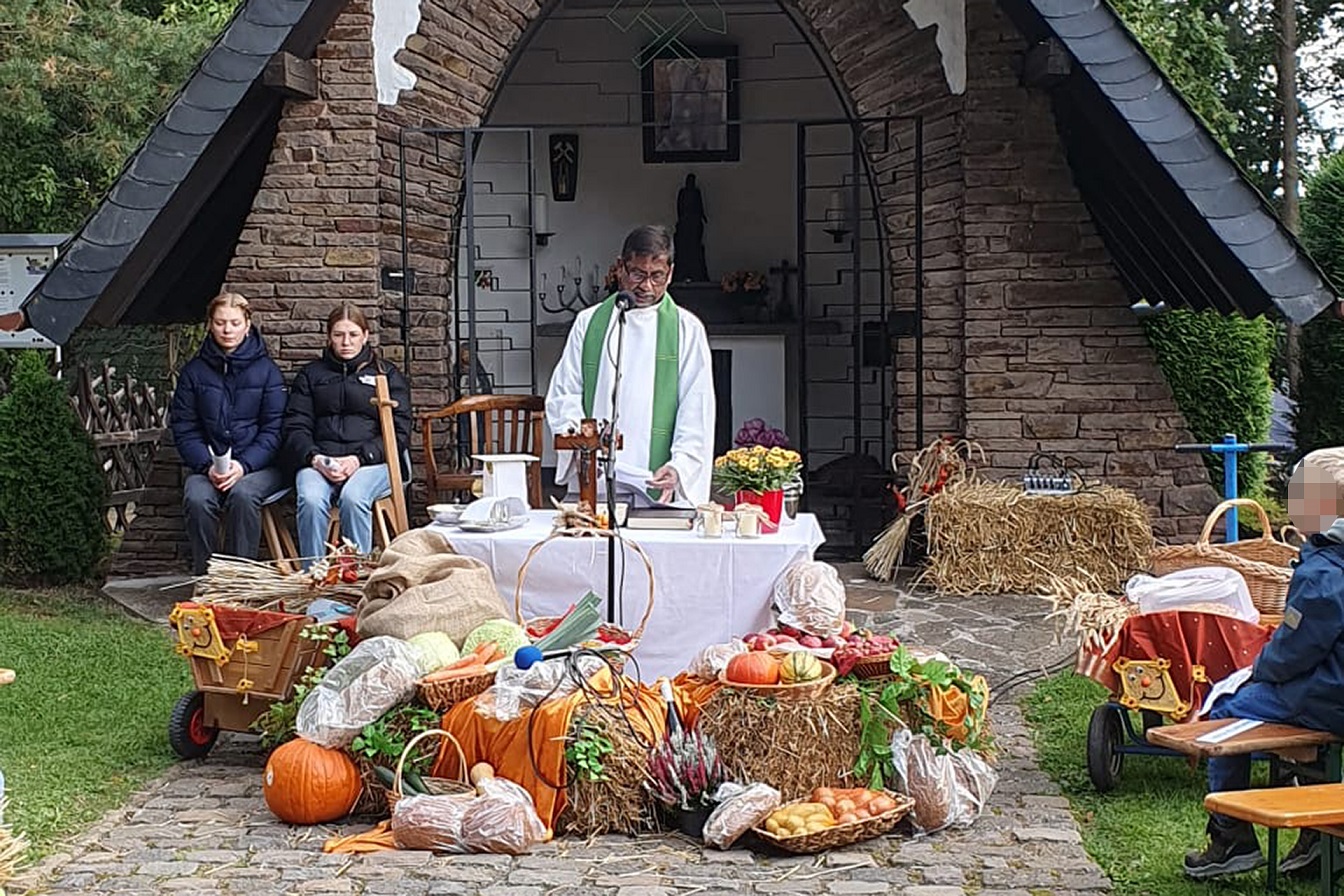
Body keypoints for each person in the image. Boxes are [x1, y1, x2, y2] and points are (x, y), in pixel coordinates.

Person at [1184, 448, 1344, 879]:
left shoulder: (1323, 575)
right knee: (1300, 736)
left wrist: (1259, 669)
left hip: (1328, 694)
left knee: (1226, 714)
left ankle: (1230, 837)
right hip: (1334, 690)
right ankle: (1320, 836)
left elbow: (1295, 651)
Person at [545, 225, 715, 507]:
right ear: (621, 268)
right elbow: (565, 392)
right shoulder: (590, 324)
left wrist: (680, 467)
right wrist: (580, 446)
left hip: (657, 483)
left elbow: (697, 407)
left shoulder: (686, 329)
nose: (646, 286)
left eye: (656, 276)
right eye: (638, 274)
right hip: (594, 480)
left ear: (670, 274)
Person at [282, 304, 411, 563]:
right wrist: (315, 458)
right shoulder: (311, 375)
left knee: (354, 497)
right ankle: (314, 578)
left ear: (365, 336)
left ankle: (357, 577)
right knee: (310, 497)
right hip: (321, 460)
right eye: (339, 334)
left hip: (373, 462)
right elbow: (295, 425)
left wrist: (358, 459)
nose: (346, 342)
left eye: (352, 334)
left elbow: (400, 431)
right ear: (329, 337)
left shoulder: (385, 373)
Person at [169, 293, 287, 575]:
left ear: (247, 325)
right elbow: (184, 427)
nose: (227, 330)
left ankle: (240, 577)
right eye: (221, 322)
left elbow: (275, 429)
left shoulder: (268, 372)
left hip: (260, 466)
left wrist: (244, 465)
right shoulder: (194, 373)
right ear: (210, 324)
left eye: (235, 323)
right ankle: (207, 576)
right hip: (208, 466)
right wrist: (208, 465)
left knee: (244, 495)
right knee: (197, 498)